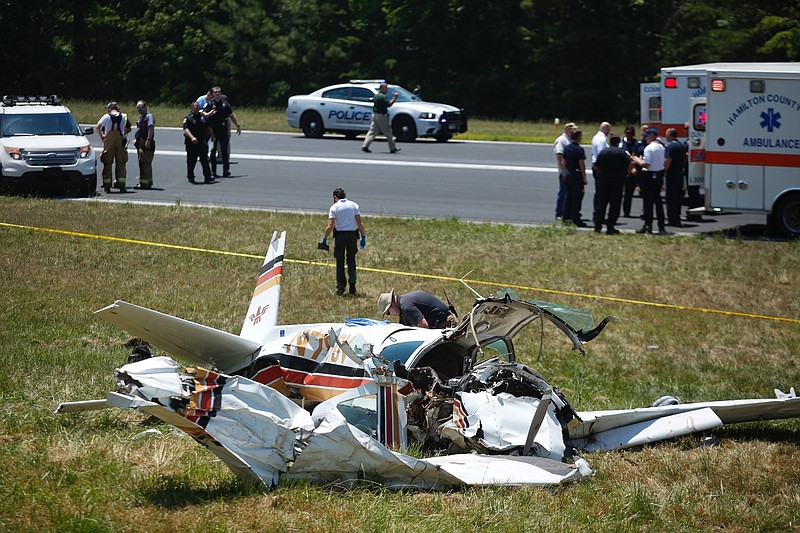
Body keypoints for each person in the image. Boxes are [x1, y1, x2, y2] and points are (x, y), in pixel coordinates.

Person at [320, 187, 366, 296]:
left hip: (340, 236)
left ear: (335, 197)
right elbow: (359, 223)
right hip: (352, 236)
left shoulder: (334, 207)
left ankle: (341, 287)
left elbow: (330, 225)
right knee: (351, 261)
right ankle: (353, 285)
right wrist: (363, 236)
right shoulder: (354, 205)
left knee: (340, 262)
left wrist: (324, 238)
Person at [594, 134, 633, 235]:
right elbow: (631, 162)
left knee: (601, 203)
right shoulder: (621, 152)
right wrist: (627, 173)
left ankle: (597, 226)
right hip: (617, 180)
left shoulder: (604, 152)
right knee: (614, 205)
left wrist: (601, 174)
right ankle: (610, 227)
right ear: (618, 142)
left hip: (604, 179)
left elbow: (596, 166)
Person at [633, 128, 667, 234]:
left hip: (649, 176)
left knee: (648, 203)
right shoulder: (661, 147)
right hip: (659, 175)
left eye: (646, 136)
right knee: (658, 201)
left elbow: (646, 165)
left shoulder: (649, 148)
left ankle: (648, 225)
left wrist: (638, 160)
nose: (645, 138)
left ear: (652, 135)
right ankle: (661, 226)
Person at [95, 102, 131, 193]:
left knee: (107, 163)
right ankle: (122, 185)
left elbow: (97, 127)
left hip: (109, 141)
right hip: (120, 141)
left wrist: (102, 136)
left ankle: (107, 186)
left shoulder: (106, 117)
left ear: (109, 109)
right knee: (121, 163)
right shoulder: (123, 116)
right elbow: (127, 128)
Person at [204, 86, 240, 177]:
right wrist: (209, 114)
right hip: (213, 131)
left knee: (224, 151)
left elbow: (231, 115)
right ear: (212, 93)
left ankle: (226, 170)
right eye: (215, 92)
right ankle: (213, 171)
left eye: (219, 92)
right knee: (213, 151)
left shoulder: (225, 104)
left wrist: (238, 125)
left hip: (223, 129)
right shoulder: (209, 104)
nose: (217, 94)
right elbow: (203, 113)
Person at [378, 289, 456, 329]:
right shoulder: (403, 303)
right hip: (441, 320)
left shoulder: (406, 307)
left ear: (391, 305)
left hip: (445, 322)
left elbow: (423, 326)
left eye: (388, 313)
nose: (391, 315)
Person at [362, 83, 400, 154]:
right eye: (386, 88)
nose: (387, 89)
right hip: (382, 116)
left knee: (372, 131)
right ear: (382, 88)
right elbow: (389, 104)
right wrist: (395, 97)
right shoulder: (383, 97)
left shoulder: (376, 96)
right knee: (388, 132)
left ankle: (365, 145)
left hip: (375, 115)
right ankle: (393, 148)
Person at [182, 101, 215, 184]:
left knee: (204, 160)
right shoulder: (188, 118)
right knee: (191, 161)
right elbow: (186, 129)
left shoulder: (203, 117)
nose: (197, 107)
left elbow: (208, 127)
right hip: (192, 143)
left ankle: (207, 177)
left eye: (198, 106)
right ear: (192, 108)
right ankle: (191, 176)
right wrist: (192, 137)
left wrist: (213, 136)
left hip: (202, 142)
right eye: (195, 106)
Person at [562, 128, 587, 227]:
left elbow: (563, 161)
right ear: (578, 137)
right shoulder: (579, 149)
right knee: (577, 198)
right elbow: (582, 164)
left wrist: (564, 173)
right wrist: (584, 178)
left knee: (568, 196)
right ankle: (576, 219)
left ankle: (566, 217)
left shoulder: (567, 148)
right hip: (576, 175)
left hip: (568, 173)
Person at [553, 122, 577, 221]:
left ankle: (567, 212)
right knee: (563, 192)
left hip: (571, 170)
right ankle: (559, 213)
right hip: (565, 170)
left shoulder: (570, 140)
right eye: (573, 130)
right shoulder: (561, 140)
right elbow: (560, 156)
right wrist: (563, 171)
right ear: (567, 130)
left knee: (569, 192)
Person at [664, 128, 686, 227]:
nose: (665, 136)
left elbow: (668, 160)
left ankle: (671, 219)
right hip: (679, 173)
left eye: (666, 135)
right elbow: (685, 157)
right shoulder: (681, 145)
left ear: (670, 135)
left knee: (671, 198)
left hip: (672, 175)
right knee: (678, 197)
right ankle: (677, 217)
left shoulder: (671, 146)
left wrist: (663, 171)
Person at [618, 126, 641, 218]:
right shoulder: (621, 143)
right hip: (621, 170)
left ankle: (626, 211)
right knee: (618, 192)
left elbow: (634, 156)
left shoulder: (636, 143)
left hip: (631, 170)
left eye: (630, 133)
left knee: (629, 193)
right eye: (627, 132)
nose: (628, 135)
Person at [591, 122, 611, 219]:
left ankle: (597, 214)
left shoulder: (596, 137)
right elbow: (602, 154)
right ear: (606, 129)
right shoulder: (602, 139)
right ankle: (598, 215)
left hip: (596, 166)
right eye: (609, 129)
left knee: (599, 192)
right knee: (601, 193)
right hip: (600, 168)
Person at [133, 100, 155, 189]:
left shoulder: (149, 116)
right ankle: (148, 181)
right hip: (141, 142)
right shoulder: (142, 117)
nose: (138, 109)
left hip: (145, 142)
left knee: (144, 163)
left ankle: (144, 183)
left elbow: (150, 127)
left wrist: (148, 140)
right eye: (137, 108)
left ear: (145, 107)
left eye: (140, 107)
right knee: (145, 163)